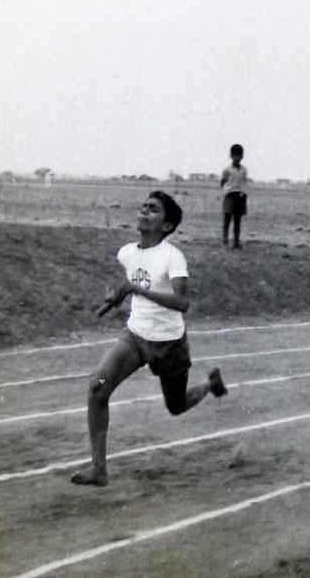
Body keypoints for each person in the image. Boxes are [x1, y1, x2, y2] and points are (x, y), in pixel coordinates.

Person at [72, 192, 227, 487]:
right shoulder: (127, 253)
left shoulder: (173, 257)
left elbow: (182, 303)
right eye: (143, 206)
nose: (144, 211)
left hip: (169, 345)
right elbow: (130, 281)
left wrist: (135, 290)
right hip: (135, 338)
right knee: (97, 387)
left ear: (166, 226)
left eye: (153, 209)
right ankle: (98, 469)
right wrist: (117, 294)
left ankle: (210, 385)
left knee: (176, 405)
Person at [220, 144, 248, 249]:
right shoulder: (227, 169)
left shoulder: (244, 170)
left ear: (242, 156)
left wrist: (244, 194)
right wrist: (227, 190)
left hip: (240, 196)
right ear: (231, 156)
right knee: (227, 219)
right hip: (230, 195)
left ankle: (236, 242)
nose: (237, 158)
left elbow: (244, 182)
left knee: (237, 220)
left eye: (239, 155)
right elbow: (222, 182)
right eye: (235, 155)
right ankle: (225, 241)